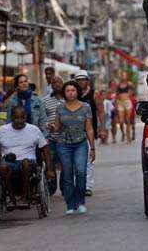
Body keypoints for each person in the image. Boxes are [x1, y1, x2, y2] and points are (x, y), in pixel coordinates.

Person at [0, 106, 54, 206]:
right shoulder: (1, 131)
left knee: (25, 163)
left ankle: (25, 196)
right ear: (11, 118)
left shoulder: (34, 130)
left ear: (25, 117)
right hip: (9, 161)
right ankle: (11, 198)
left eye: (22, 118)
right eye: (16, 118)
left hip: (29, 162)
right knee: (3, 167)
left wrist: (49, 169)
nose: (19, 121)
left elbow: (45, 149)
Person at [51, 81, 96, 215]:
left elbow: (89, 128)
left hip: (80, 144)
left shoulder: (85, 107)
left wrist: (92, 148)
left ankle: (80, 201)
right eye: (68, 91)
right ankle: (70, 203)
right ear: (64, 93)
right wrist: (52, 127)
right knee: (67, 174)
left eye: (73, 90)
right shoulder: (60, 108)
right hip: (63, 145)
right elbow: (57, 127)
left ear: (77, 92)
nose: (71, 93)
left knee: (81, 172)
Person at [75, 71, 101, 197]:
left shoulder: (94, 94)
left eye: (83, 79)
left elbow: (101, 111)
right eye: (78, 80)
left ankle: (88, 186)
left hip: (90, 130)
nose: (81, 82)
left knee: (89, 159)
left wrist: (103, 128)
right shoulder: (72, 94)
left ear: (87, 81)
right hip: (74, 131)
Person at [40, 76, 65, 194]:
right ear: (51, 85)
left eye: (59, 82)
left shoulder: (69, 99)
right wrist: (46, 126)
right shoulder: (44, 101)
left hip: (66, 139)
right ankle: (51, 187)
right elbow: (42, 119)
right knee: (50, 163)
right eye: (54, 83)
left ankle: (65, 186)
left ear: (63, 84)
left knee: (66, 163)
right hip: (51, 138)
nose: (56, 85)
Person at [116, 77, 133, 144]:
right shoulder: (118, 85)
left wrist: (130, 93)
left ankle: (128, 137)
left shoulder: (128, 84)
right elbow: (117, 93)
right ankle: (123, 133)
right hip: (120, 102)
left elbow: (132, 90)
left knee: (128, 120)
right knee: (121, 121)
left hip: (127, 102)